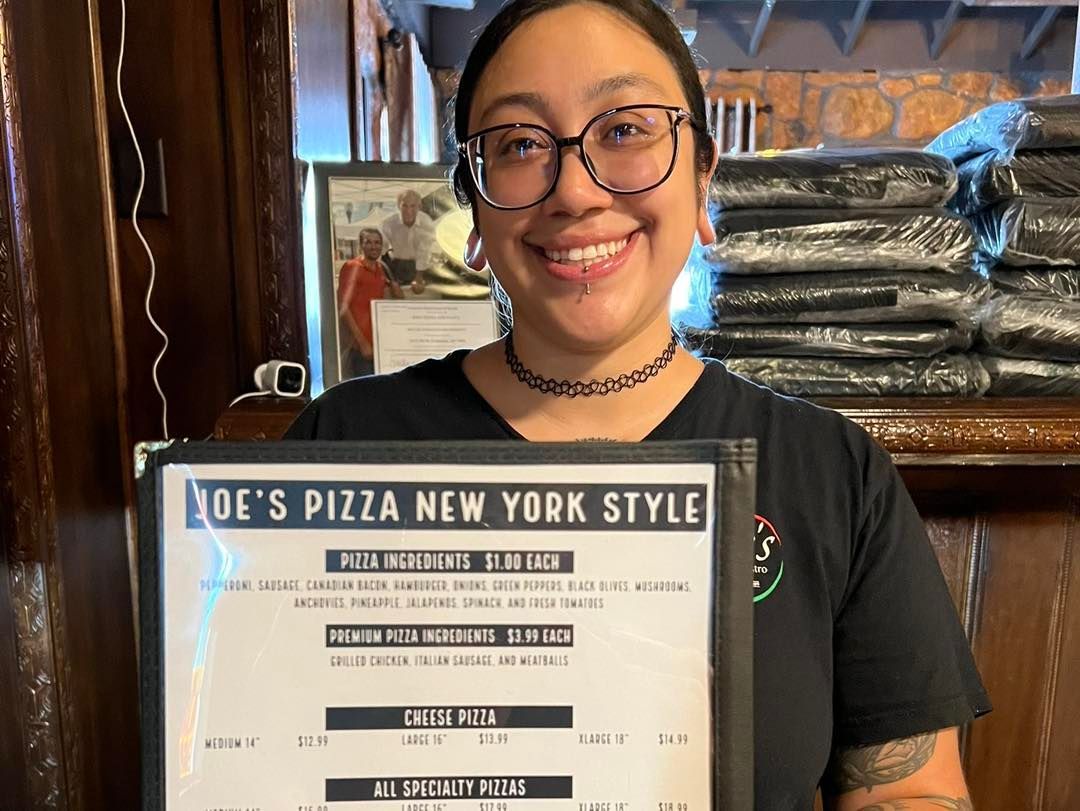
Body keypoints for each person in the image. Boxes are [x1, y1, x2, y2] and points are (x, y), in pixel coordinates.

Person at [288, 1, 989, 807]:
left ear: (701, 181)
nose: (577, 192)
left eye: (624, 131)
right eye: (519, 144)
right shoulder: (341, 442)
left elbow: (909, 791)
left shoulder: (831, 472)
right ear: (473, 210)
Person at [336, 228, 403, 378]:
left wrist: (393, 284)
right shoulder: (352, 267)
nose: (374, 246)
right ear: (361, 245)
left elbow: (399, 298)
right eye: (368, 242)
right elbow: (344, 307)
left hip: (379, 346)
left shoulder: (380, 269)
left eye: (377, 243)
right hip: (361, 347)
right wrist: (362, 343)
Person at [381, 188, 435, 293]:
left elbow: (424, 251)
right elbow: (381, 250)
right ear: (398, 206)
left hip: (421, 267)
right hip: (396, 265)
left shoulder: (426, 222)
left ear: (419, 207)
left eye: (413, 206)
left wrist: (419, 278)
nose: (408, 211)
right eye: (404, 205)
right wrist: (390, 280)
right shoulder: (388, 223)